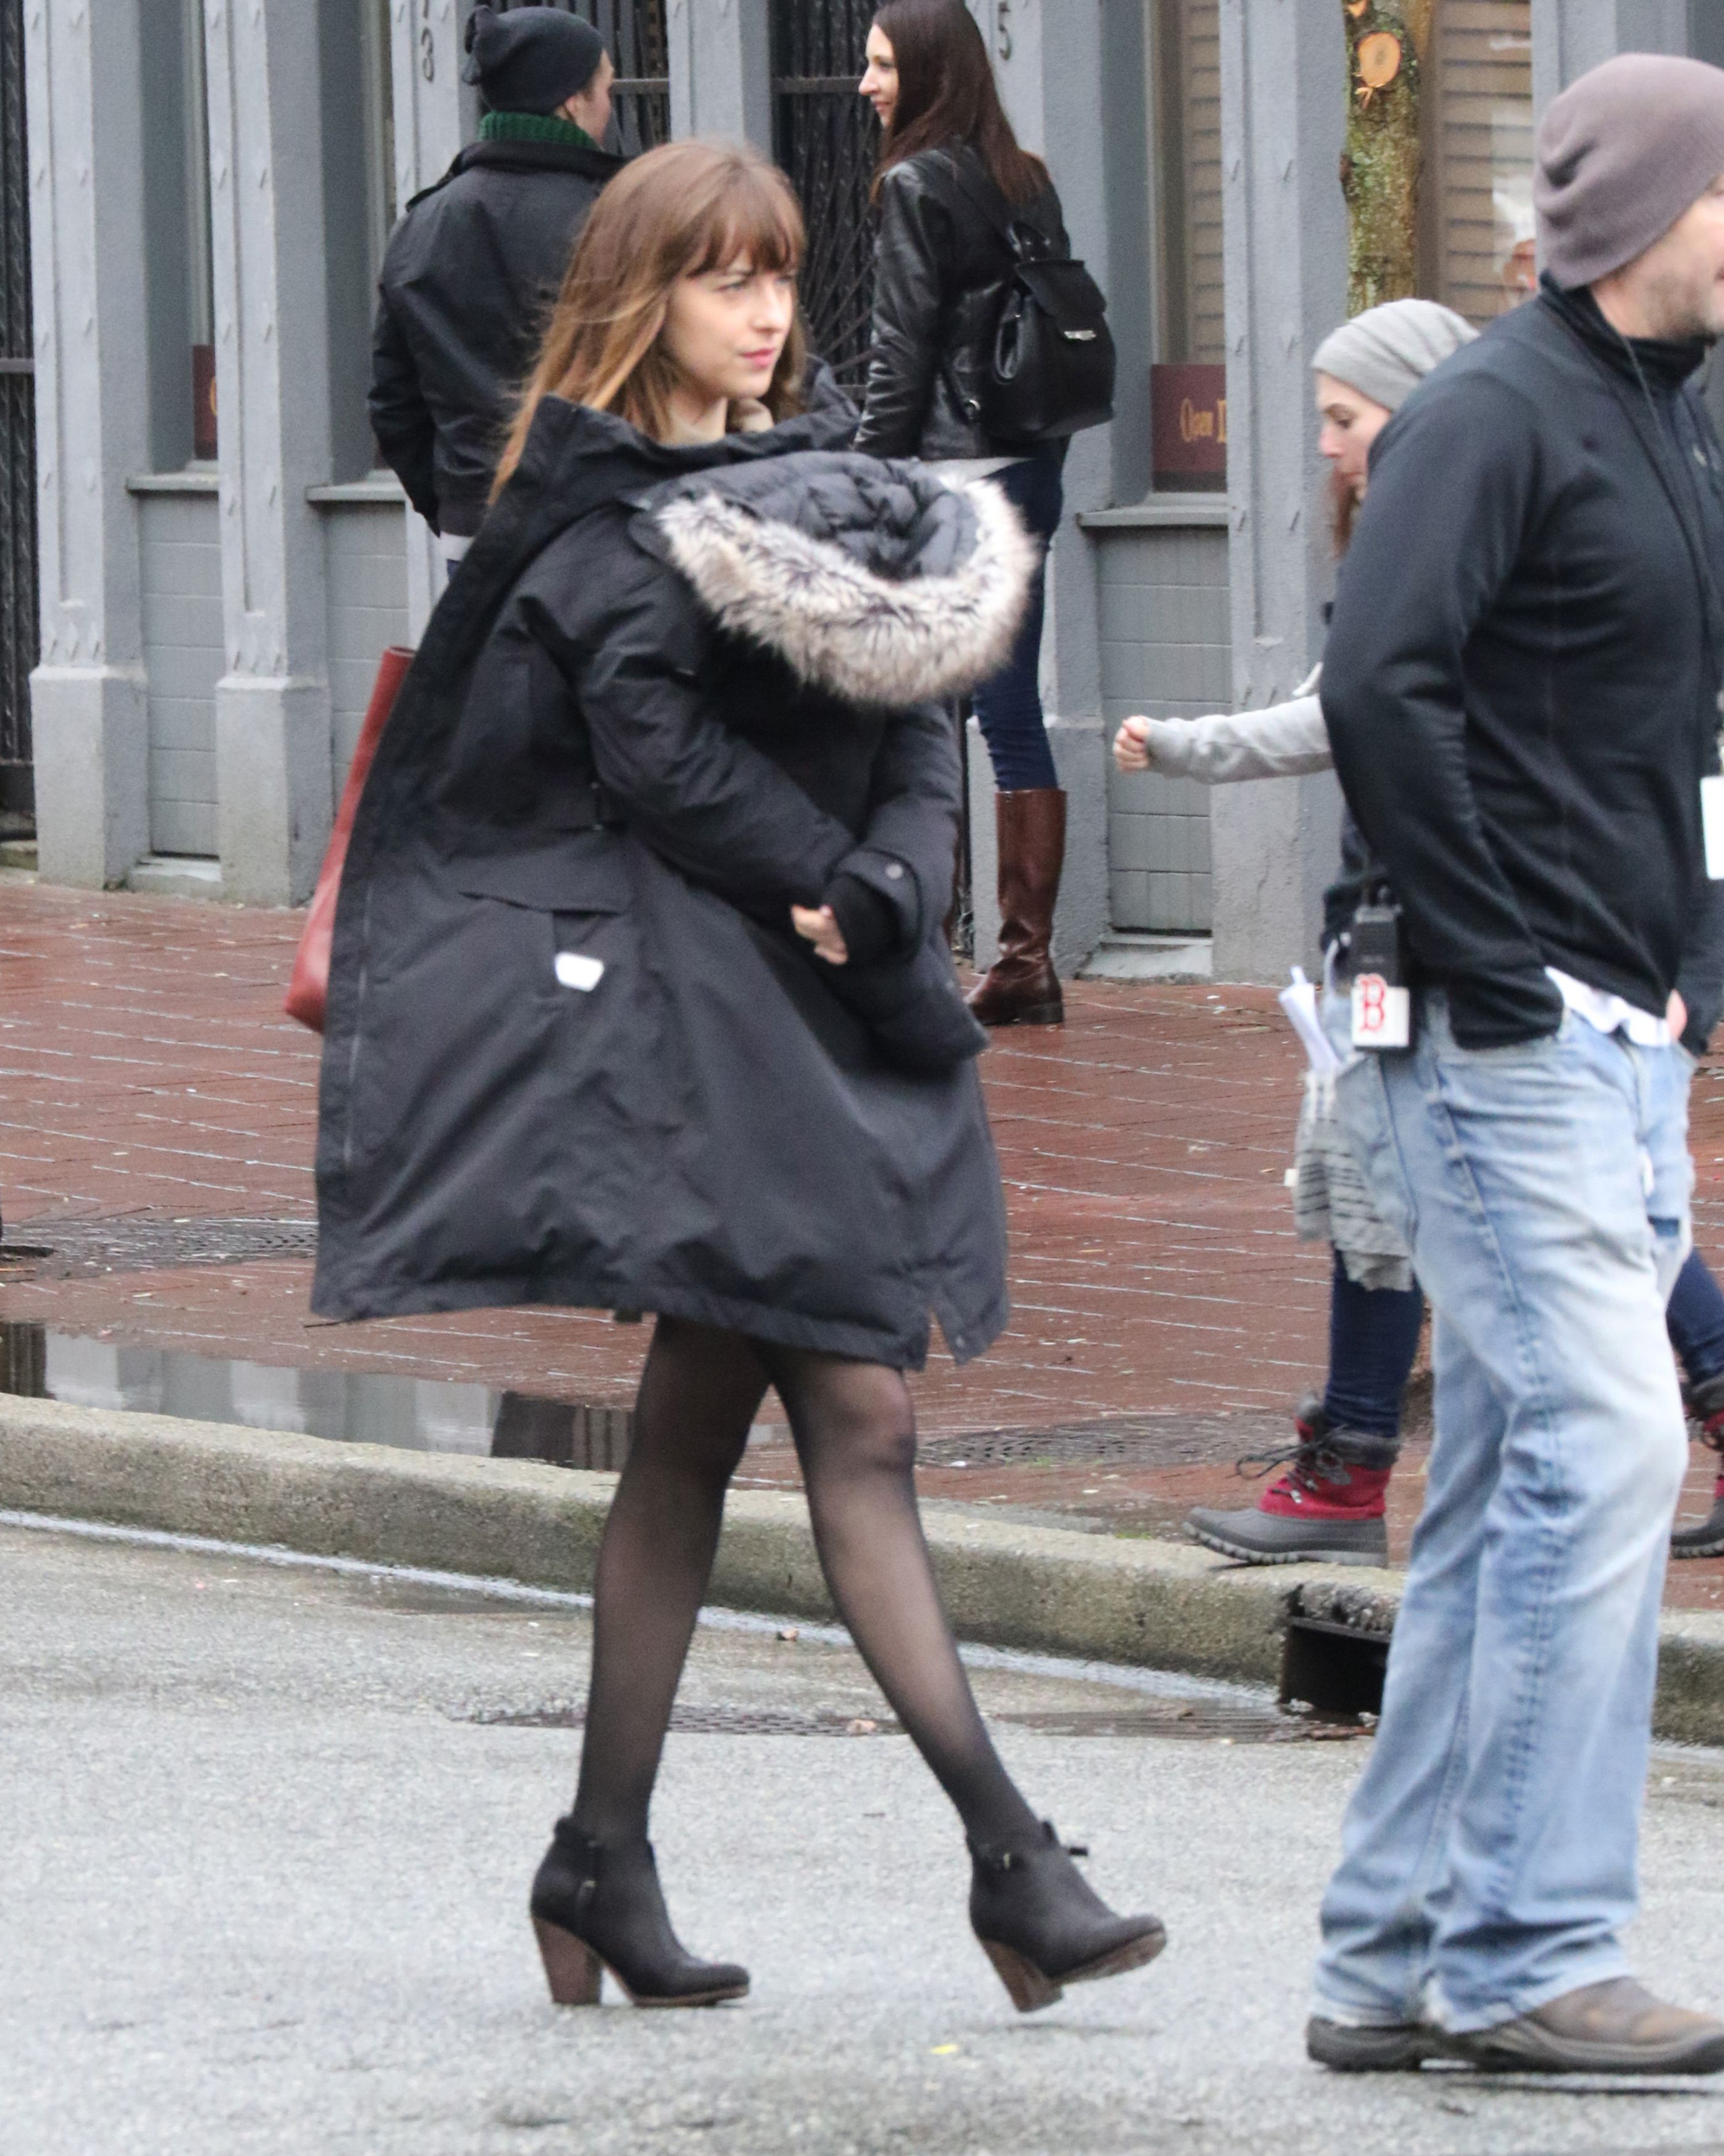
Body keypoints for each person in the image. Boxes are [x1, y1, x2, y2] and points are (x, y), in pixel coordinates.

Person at [312, 141, 1164, 2017]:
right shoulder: (596, 513)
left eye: (779, 272)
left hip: (826, 989)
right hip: (704, 1015)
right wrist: (824, 874)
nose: (767, 310)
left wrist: (895, 882)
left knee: (696, 1434)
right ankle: (1013, 1862)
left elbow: (922, 696)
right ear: (648, 298)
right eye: (723, 277)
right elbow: (647, 746)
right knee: (857, 1406)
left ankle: (597, 1861)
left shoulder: (839, 479)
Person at [1306, 54, 1724, 2077]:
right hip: (1508, 1037)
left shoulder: (1668, 419)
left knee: (1505, 1483)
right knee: (1616, 1443)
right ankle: (1528, 1951)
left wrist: (1696, 967)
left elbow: (1682, 727)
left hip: (1619, 1037)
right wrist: (1495, 969)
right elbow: (1377, 685)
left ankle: (1388, 1953)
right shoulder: (1492, 413)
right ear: (1651, 213)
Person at [1113, 301, 1724, 1568]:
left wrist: (1672, 975)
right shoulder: (1467, 514)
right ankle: (1361, 1467)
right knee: (1479, 1215)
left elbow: (1360, 707)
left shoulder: (1538, 511)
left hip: (1493, 971)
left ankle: (1355, 1471)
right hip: (1454, 962)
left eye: (1345, 417)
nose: (1327, 445)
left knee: (1527, 1229)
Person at [853, 0, 1076, 1027]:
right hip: (1028, 471)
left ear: (931, 73)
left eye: (883, 66)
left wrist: (865, 482)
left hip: (953, 480)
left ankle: (931, 953)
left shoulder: (913, 183)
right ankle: (1025, 961)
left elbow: (900, 356)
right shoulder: (1024, 177)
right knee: (1009, 707)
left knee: (932, 720)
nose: (866, 85)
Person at [369, 4, 622, 570]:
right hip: (594, 530)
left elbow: (394, 406)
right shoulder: (614, 221)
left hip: (474, 534)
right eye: (606, 88)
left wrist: (454, 510)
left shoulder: (422, 224)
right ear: (572, 101)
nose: (610, 106)